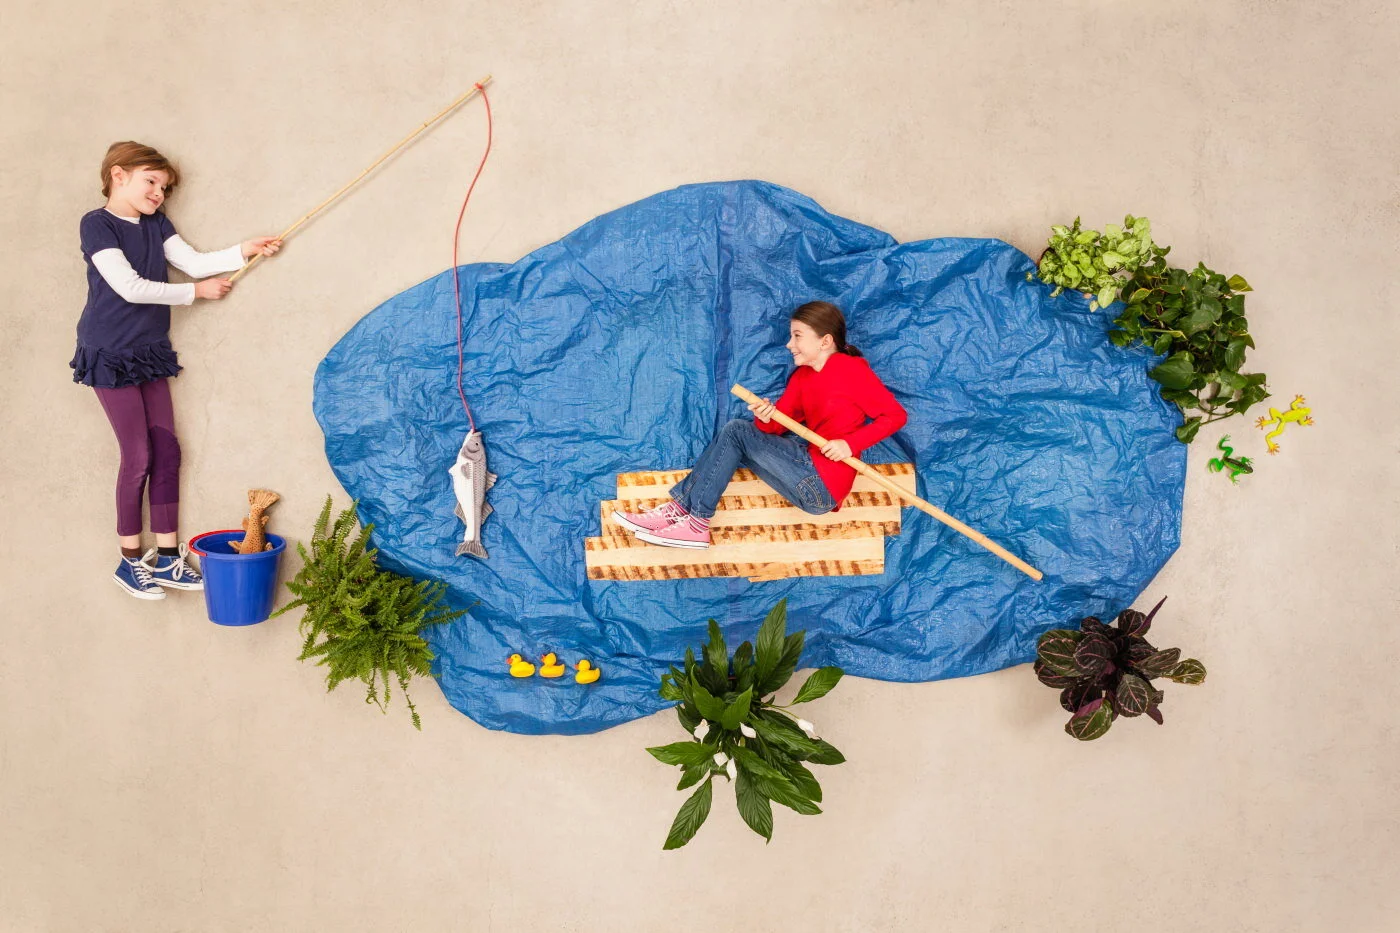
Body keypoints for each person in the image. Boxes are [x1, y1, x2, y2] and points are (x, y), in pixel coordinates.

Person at [72, 141, 282, 599]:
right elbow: (129, 287)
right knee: (137, 456)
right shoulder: (97, 224)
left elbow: (193, 263)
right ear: (118, 175)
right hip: (109, 352)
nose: (159, 193)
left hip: (148, 350)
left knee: (167, 452)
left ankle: (168, 558)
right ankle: (129, 560)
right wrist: (194, 294)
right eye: (151, 182)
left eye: (164, 188)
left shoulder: (157, 223)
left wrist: (244, 250)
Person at [612, 301, 907, 549]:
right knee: (738, 435)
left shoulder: (850, 370)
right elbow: (774, 429)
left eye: (797, 335)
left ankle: (693, 519)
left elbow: (895, 416)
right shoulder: (802, 378)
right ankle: (683, 514)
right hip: (804, 481)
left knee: (736, 430)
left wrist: (849, 444)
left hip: (822, 482)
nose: (789, 344)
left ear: (825, 341)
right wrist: (766, 417)